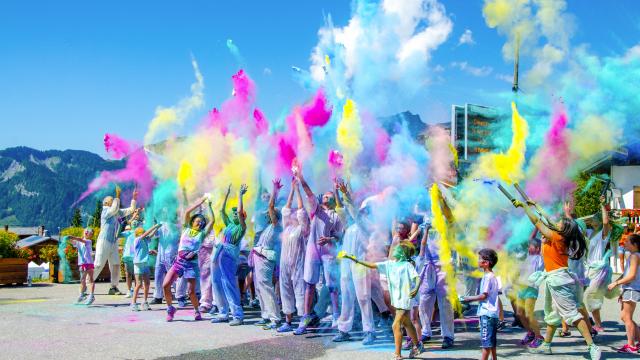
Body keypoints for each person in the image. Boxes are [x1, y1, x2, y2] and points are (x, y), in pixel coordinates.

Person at [512, 198, 601, 360]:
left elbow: (537, 222)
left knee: (572, 315)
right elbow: (547, 219)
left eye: (560, 222)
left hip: (559, 280)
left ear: (564, 229)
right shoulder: (560, 234)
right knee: (553, 314)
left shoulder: (558, 238)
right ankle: (546, 345)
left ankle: (592, 346)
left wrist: (525, 208)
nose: (556, 222)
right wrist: (535, 205)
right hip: (557, 279)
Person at [342, 240, 424, 360]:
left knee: (396, 325)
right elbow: (372, 265)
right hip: (397, 299)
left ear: (402, 253)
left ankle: (398, 354)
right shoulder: (389, 264)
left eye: (397, 249)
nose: (394, 250)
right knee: (407, 323)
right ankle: (418, 345)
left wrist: (416, 288)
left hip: (406, 298)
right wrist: (354, 259)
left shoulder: (407, 265)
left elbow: (417, 278)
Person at [294, 166, 344, 335]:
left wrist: (329, 238)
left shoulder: (336, 216)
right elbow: (309, 193)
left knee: (331, 285)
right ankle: (306, 317)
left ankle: (337, 316)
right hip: (313, 249)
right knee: (309, 283)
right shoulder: (316, 210)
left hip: (328, 251)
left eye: (329, 196)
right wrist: (301, 178)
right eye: (325, 196)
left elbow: (339, 236)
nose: (325, 197)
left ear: (332, 201)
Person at [332, 181, 377, 345]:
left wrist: (348, 195)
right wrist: (338, 191)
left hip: (360, 263)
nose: (363, 211)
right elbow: (341, 209)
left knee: (364, 297)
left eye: (366, 210)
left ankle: (369, 331)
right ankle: (344, 330)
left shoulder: (367, 225)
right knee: (347, 297)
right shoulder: (349, 225)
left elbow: (355, 213)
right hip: (346, 265)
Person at [163, 195, 215, 321]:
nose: (200, 222)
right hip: (178, 262)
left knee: (191, 292)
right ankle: (170, 309)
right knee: (165, 285)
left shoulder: (201, 234)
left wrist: (209, 206)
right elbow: (187, 212)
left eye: (202, 222)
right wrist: (200, 201)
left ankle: (197, 311)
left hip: (191, 264)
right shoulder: (186, 229)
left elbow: (212, 221)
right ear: (192, 221)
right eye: (198, 220)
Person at [211, 184, 248, 326]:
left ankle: (237, 315)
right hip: (219, 253)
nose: (234, 214)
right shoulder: (229, 225)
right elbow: (221, 210)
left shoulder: (241, 227)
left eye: (237, 213)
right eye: (233, 213)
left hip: (228, 255)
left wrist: (239, 195)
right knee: (217, 282)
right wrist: (227, 194)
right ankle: (223, 312)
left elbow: (239, 211)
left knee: (229, 283)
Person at [277, 178, 309, 333]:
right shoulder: (287, 228)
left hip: (298, 264)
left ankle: (303, 321)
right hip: (284, 264)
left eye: (296, 214)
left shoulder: (302, 230)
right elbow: (285, 209)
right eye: (293, 213)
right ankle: (288, 321)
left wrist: (297, 189)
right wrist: (291, 188)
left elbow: (302, 210)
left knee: (300, 291)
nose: (294, 214)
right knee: (285, 290)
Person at [93, 186, 137, 295]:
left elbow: (130, 210)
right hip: (104, 241)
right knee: (98, 264)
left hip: (113, 242)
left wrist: (134, 198)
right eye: (111, 201)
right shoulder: (105, 212)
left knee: (115, 265)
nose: (113, 202)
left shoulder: (116, 212)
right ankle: (86, 283)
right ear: (106, 203)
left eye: (113, 201)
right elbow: (114, 209)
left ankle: (113, 287)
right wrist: (117, 196)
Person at [252, 179, 284, 329]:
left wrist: (275, 190)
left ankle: (275, 318)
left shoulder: (277, 226)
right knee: (259, 287)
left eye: (271, 214)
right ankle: (265, 315)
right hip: (258, 257)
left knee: (266, 287)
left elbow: (271, 206)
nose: (268, 215)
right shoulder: (267, 227)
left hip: (265, 259)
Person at [418, 223, 455, 349]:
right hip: (427, 266)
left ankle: (448, 336)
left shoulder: (444, 218)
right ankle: (426, 332)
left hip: (444, 266)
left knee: (445, 304)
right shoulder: (424, 218)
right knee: (424, 302)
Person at [583, 196, 616, 333]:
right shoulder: (590, 232)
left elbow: (606, 221)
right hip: (587, 269)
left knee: (592, 296)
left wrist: (603, 205)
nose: (592, 220)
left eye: (595, 218)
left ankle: (598, 324)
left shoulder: (604, 234)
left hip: (598, 270)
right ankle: (586, 320)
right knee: (580, 295)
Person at [462, 249, 500, 360]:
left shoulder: (488, 277)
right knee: (491, 341)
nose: (478, 261)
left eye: (480, 259)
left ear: (486, 263)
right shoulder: (492, 276)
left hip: (486, 314)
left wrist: (468, 298)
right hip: (492, 314)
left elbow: (484, 296)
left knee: (486, 343)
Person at [608, 233, 640, 353]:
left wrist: (616, 283)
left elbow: (631, 276)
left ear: (635, 244)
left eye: (627, 241)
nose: (624, 243)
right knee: (625, 317)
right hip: (629, 288)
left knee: (627, 317)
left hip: (632, 288)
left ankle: (631, 345)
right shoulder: (633, 255)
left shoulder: (635, 256)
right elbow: (626, 273)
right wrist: (618, 282)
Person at [514, 231, 545, 348]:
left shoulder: (541, 257)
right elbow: (530, 238)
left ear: (537, 248)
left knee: (529, 314)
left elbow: (541, 242)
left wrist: (541, 229)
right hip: (521, 288)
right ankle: (531, 333)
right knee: (519, 313)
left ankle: (539, 337)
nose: (528, 247)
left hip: (531, 289)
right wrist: (536, 227)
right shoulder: (528, 256)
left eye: (531, 246)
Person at [131, 223, 162, 311]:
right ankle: (133, 303)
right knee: (139, 284)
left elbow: (151, 235)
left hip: (145, 263)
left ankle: (145, 302)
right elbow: (147, 234)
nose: (144, 233)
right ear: (138, 234)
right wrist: (155, 226)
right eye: (142, 232)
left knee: (147, 283)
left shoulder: (144, 240)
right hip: (138, 264)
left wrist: (157, 228)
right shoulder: (137, 239)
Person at [151, 217, 179, 305]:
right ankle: (158, 296)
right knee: (158, 275)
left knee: (173, 276)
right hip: (161, 253)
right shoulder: (161, 224)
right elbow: (155, 235)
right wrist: (155, 225)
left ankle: (180, 295)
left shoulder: (177, 226)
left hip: (171, 253)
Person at [65, 228, 96, 305]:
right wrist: (68, 238)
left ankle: (91, 296)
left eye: (89, 232)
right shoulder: (79, 242)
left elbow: (79, 240)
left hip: (88, 262)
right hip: (82, 263)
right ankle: (82, 295)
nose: (86, 232)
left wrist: (72, 237)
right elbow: (73, 242)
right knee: (82, 280)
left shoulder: (88, 241)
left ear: (91, 235)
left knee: (90, 280)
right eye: (86, 231)